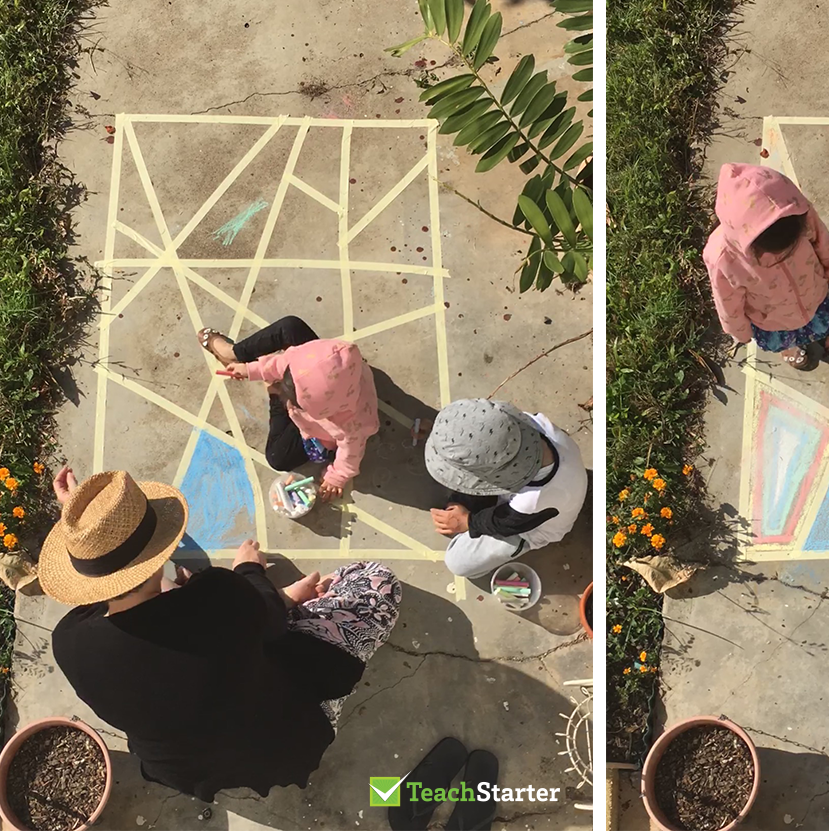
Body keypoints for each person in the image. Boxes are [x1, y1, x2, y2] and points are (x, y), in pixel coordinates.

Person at [45, 466, 401, 801]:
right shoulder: (217, 598)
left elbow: (134, 605)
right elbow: (268, 619)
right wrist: (250, 570)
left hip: (183, 767)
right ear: (160, 546)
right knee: (379, 582)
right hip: (278, 740)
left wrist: (89, 530)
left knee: (166, 597)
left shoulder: (67, 640)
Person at [703, 163, 829, 388]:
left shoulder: (799, 212)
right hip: (773, 322)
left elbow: (825, 244)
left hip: (817, 298)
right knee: (785, 339)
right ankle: (791, 345)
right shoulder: (722, 257)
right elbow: (727, 300)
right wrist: (739, 331)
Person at [197, 316, 379, 501]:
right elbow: (283, 364)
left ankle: (274, 395)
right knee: (290, 326)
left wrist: (336, 478)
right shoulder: (306, 359)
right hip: (330, 373)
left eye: (293, 399)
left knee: (278, 457)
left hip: (321, 428)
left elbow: (350, 455)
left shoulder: (351, 425)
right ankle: (233, 353)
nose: (290, 400)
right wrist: (252, 370)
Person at [424, 399, 587, 578]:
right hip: (522, 490)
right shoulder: (523, 425)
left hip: (529, 528)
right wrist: (445, 437)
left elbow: (503, 523)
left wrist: (468, 521)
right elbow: (478, 434)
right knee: (459, 492)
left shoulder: (535, 499)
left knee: (457, 563)